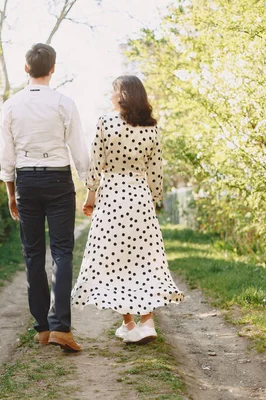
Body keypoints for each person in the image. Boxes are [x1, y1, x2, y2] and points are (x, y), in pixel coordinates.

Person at [71, 75, 184, 344]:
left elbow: (96, 167)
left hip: (112, 198)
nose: (109, 96)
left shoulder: (105, 123)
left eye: (112, 91)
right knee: (145, 261)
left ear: (121, 95)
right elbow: (156, 172)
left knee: (116, 262)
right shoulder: (152, 129)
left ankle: (130, 325)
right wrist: (155, 199)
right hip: (140, 199)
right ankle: (148, 322)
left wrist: (90, 198)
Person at [0, 43, 89, 352]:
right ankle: (61, 327)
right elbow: (78, 149)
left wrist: (12, 193)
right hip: (58, 179)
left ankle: (42, 328)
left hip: (26, 180)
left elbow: (6, 156)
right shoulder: (64, 103)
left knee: (33, 253)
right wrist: (91, 186)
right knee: (62, 252)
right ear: (53, 69)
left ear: (26, 69)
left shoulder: (11, 105)